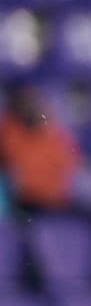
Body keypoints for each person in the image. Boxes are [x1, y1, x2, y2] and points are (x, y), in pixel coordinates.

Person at [0, 85, 81, 214]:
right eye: (26, 105)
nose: (32, 109)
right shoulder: (9, 134)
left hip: (58, 200)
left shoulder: (55, 133)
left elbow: (68, 165)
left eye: (35, 104)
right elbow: (20, 178)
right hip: (28, 202)